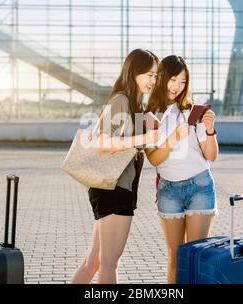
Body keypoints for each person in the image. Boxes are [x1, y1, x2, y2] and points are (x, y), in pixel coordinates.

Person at [71, 49, 159, 284]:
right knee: (110, 262)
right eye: (149, 75)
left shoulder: (135, 103)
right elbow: (101, 140)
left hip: (118, 186)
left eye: (155, 75)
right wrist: (142, 139)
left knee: (96, 261)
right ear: (134, 72)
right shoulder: (121, 100)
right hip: (113, 187)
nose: (153, 80)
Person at [145, 55, 219, 284]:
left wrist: (209, 129)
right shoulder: (148, 114)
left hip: (200, 187)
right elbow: (154, 159)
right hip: (169, 191)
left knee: (196, 258)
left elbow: (211, 156)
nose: (177, 86)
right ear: (162, 77)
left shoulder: (192, 110)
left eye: (183, 82)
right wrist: (173, 136)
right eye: (173, 79)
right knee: (176, 259)